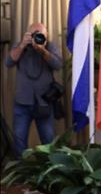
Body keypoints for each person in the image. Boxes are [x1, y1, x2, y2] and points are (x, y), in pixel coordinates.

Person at [4, 22, 62, 157]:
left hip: (44, 104)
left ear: (46, 35)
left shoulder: (50, 46)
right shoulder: (21, 46)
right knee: (19, 140)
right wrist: (23, 45)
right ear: (28, 35)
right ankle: (21, 172)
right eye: (34, 34)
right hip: (22, 103)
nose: (37, 37)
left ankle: (48, 172)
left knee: (48, 141)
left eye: (40, 34)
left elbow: (58, 64)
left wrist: (42, 50)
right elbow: (8, 62)